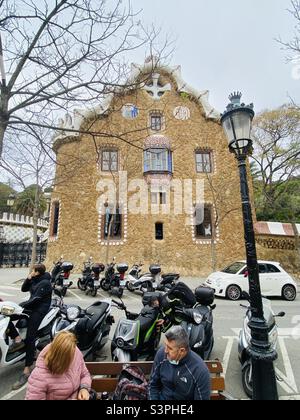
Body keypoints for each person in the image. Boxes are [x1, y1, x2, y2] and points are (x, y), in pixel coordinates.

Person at [8, 263, 53, 390]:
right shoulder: (34, 279)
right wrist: (28, 279)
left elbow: (36, 299)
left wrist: (20, 307)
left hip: (39, 309)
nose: (31, 271)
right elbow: (23, 289)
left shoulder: (45, 283)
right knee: (6, 317)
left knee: (30, 337)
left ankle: (27, 369)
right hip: (31, 306)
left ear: (37, 272)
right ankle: (16, 338)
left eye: (33, 270)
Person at [149, 325, 211, 400]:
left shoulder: (200, 370)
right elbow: (152, 385)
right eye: (165, 345)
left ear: (182, 351)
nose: (165, 351)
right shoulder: (161, 355)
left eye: (170, 348)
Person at [25, 331, 92, 400]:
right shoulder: (39, 377)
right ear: (58, 359)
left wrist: (84, 388)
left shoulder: (74, 351)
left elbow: (84, 374)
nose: (73, 359)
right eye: (68, 359)